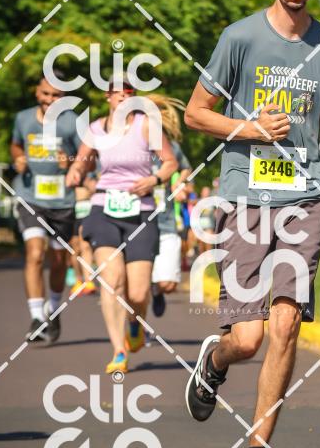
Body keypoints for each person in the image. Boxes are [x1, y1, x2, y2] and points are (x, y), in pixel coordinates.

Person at [184, 0, 320, 448]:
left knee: (286, 324)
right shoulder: (239, 38)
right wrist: (250, 128)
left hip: (306, 196)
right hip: (247, 196)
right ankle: (215, 360)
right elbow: (195, 113)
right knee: (248, 338)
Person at [65, 79, 177, 373]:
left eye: (129, 92)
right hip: (104, 208)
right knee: (112, 281)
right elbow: (83, 161)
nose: (124, 96)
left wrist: (153, 180)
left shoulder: (146, 125)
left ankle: (135, 323)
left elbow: (170, 162)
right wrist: (76, 170)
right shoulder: (96, 129)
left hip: (141, 210)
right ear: (108, 97)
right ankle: (118, 351)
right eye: (118, 92)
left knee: (138, 294)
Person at [10, 73, 80, 343]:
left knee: (59, 261)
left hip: (62, 202)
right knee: (35, 253)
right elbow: (16, 145)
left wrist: (70, 163)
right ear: (37, 92)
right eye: (46, 94)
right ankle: (37, 317)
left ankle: (53, 307)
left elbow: (87, 158)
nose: (50, 100)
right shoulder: (23, 119)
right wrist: (18, 158)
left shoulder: (72, 122)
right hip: (30, 196)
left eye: (56, 96)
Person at [146, 94, 192, 317]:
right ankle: (137, 321)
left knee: (168, 284)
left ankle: (156, 290)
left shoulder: (170, 146)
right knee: (136, 283)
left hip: (165, 220)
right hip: (137, 222)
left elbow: (185, 168)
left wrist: (179, 183)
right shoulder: (128, 145)